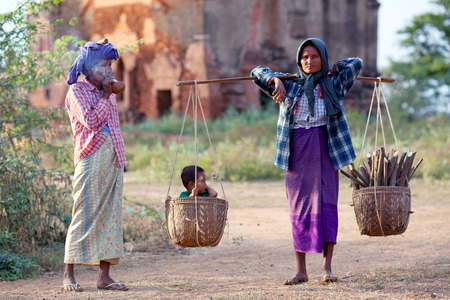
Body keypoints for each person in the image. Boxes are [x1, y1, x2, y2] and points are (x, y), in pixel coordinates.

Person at [251, 38, 362, 285]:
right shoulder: (288, 85)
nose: (309, 62)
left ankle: (327, 268)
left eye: (314, 57)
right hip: (297, 150)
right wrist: (274, 79)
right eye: (304, 57)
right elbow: (256, 72)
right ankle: (301, 270)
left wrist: (334, 68)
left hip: (327, 147)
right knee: (299, 208)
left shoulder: (335, 83)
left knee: (327, 205)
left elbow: (357, 64)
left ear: (323, 58)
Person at [62, 39, 129, 292]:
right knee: (84, 213)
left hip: (112, 158)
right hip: (90, 158)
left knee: (111, 216)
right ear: (88, 68)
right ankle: (68, 273)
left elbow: (113, 126)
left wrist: (107, 92)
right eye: (103, 66)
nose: (108, 71)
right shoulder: (77, 92)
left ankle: (104, 276)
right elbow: (91, 121)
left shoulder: (107, 91)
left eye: (110, 66)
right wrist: (105, 94)